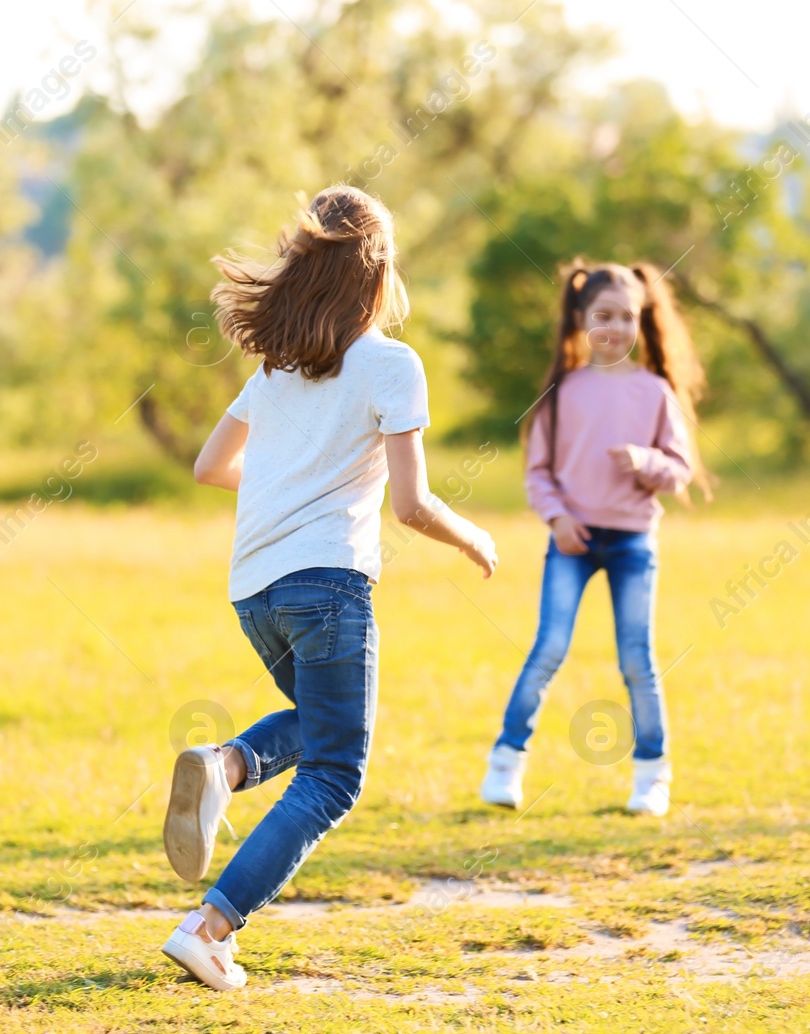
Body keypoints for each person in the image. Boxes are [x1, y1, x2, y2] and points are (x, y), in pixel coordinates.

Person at [161, 186, 498, 991]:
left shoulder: (277, 368)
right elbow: (413, 504)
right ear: (379, 275)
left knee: (317, 723)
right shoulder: (391, 362)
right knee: (338, 770)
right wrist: (475, 536)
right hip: (329, 585)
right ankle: (210, 928)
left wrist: (284, 487)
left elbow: (210, 467)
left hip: (254, 591)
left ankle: (230, 763)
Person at [480, 261, 711, 818]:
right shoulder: (563, 394)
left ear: (642, 322)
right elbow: (539, 473)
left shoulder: (654, 392)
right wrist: (557, 519)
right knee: (548, 649)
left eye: (627, 317)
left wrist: (645, 461)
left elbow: (679, 470)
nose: (615, 327)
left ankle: (653, 777)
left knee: (637, 658)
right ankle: (506, 764)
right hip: (572, 541)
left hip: (633, 543)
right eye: (603, 316)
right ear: (583, 320)